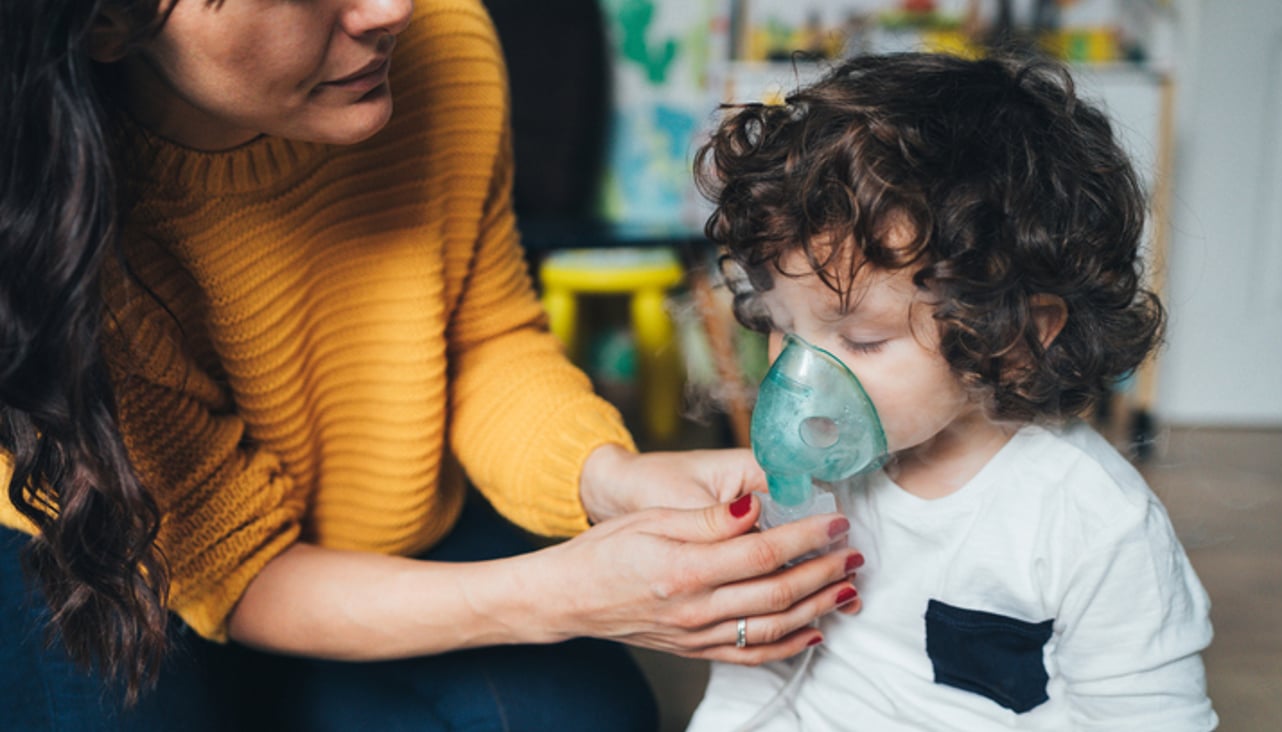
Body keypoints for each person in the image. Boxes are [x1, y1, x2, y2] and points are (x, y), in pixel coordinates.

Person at [0, 0, 866, 729]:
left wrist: (609, 480)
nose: (390, 10)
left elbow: (482, 340)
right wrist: (559, 594)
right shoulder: (53, 212)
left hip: (387, 512)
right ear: (108, 20)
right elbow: (241, 568)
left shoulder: (442, 42)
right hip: (113, 555)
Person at [687, 52, 1217, 730]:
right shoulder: (814, 476)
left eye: (864, 341)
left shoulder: (1094, 525)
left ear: (1014, 335)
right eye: (784, 328)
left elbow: (1147, 719)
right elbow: (760, 662)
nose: (801, 378)